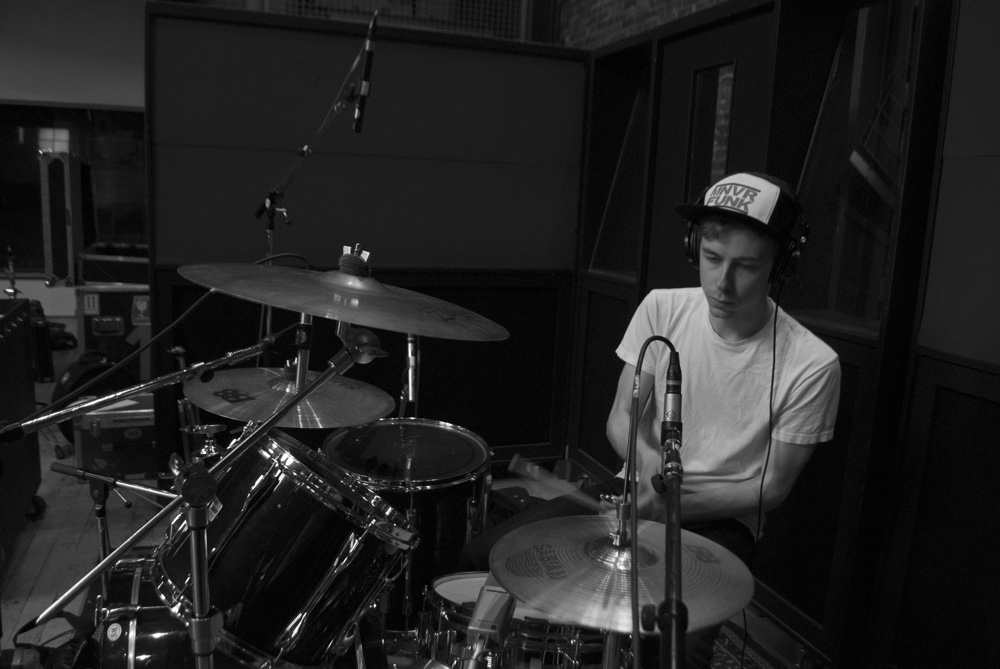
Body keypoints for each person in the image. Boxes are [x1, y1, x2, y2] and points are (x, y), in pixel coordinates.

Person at [460, 171, 841, 667]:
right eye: (712, 259)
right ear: (693, 248)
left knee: (675, 647)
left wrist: (671, 505)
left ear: (781, 265)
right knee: (490, 556)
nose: (722, 283)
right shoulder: (662, 308)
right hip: (637, 489)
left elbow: (770, 488)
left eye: (746, 266)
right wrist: (646, 465)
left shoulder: (812, 363)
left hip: (721, 519)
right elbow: (621, 416)